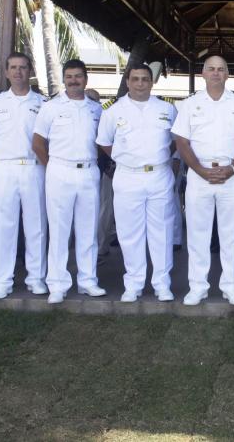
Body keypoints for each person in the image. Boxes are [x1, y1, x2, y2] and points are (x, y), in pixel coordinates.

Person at [171, 55, 234, 306]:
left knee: (231, 235)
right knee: (197, 234)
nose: (216, 73)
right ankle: (197, 287)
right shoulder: (189, 104)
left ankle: (231, 286)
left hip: (230, 176)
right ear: (203, 74)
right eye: (211, 69)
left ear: (227, 74)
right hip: (199, 176)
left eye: (221, 69)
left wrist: (232, 168)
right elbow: (181, 142)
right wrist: (199, 169)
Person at [96, 64, 177, 302]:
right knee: (129, 233)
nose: (140, 83)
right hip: (128, 176)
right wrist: (126, 159)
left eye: (144, 79)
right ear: (127, 82)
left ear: (152, 82)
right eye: (135, 79)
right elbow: (104, 142)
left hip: (159, 174)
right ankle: (133, 283)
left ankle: (162, 284)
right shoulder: (113, 110)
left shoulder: (167, 108)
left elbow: (175, 141)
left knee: (162, 232)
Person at [32, 59, 105, 304]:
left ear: (86, 79)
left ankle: (88, 281)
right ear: (64, 79)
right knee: (59, 231)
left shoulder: (96, 109)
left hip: (89, 171)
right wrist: (52, 167)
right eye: (69, 76)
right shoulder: (50, 107)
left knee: (88, 230)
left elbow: (102, 141)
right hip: (59, 171)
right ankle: (57, 284)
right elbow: (38, 143)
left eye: (78, 76)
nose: (74, 81)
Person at [0, 52, 48, 299]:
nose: (18, 72)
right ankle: (2, 281)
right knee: (3, 225)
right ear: (7, 72)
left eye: (23, 67)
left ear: (30, 71)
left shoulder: (43, 103)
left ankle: (36, 278)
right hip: (6, 168)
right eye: (14, 67)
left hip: (34, 167)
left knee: (36, 226)